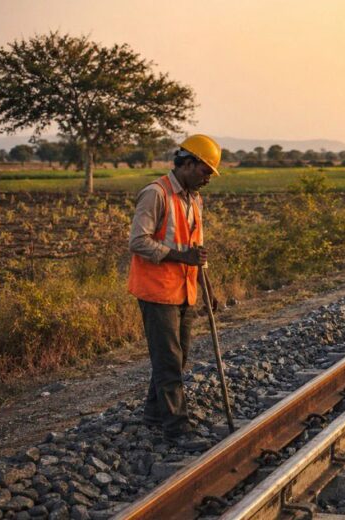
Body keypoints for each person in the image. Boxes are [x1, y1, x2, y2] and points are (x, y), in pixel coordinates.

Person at [127, 134, 221, 439]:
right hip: (157, 292)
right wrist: (181, 256)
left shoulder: (194, 199)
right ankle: (177, 428)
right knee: (168, 362)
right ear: (189, 163)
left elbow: (197, 252)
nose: (208, 178)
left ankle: (154, 415)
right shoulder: (156, 194)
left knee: (177, 359)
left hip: (185, 291)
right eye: (205, 171)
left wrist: (208, 289)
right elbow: (138, 241)